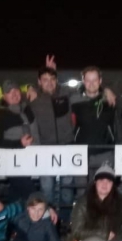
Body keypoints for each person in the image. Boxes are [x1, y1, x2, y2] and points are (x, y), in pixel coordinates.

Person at [25, 61, 76, 222]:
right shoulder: (33, 98)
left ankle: (65, 223)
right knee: (47, 190)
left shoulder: (66, 93)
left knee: (67, 189)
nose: (49, 83)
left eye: (52, 79)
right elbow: (12, 100)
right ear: (39, 82)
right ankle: (47, 224)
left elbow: (88, 89)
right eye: (45, 80)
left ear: (57, 80)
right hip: (45, 151)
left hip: (67, 148)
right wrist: (29, 87)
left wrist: (106, 90)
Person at [0, 80, 40, 203]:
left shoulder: (27, 108)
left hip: (30, 161)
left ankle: (10, 214)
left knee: (16, 196)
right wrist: (19, 144)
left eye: (16, 91)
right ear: (3, 96)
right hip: (11, 164)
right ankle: (45, 211)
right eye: (9, 92)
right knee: (32, 195)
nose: (14, 94)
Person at [71, 65, 118, 194]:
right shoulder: (74, 100)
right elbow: (53, 91)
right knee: (82, 192)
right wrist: (30, 87)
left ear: (100, 81)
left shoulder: (110, 99)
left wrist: (107, 90)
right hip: (81, 154)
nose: (91, 83)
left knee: (105, 192)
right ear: (83, 81)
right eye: (88, 80)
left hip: (105, 153)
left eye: (95, 80)